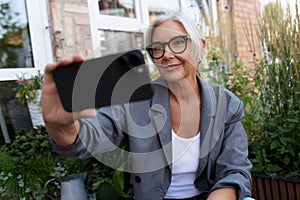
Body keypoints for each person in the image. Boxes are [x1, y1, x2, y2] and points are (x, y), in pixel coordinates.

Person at [41, 11, 253, 200]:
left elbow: (235, 170)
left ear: (201, 46)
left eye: (178, 43)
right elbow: (90, 139)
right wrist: (61, 126)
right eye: (157, 49)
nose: (167, 55)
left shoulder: (226, 103)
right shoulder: (135, 100)